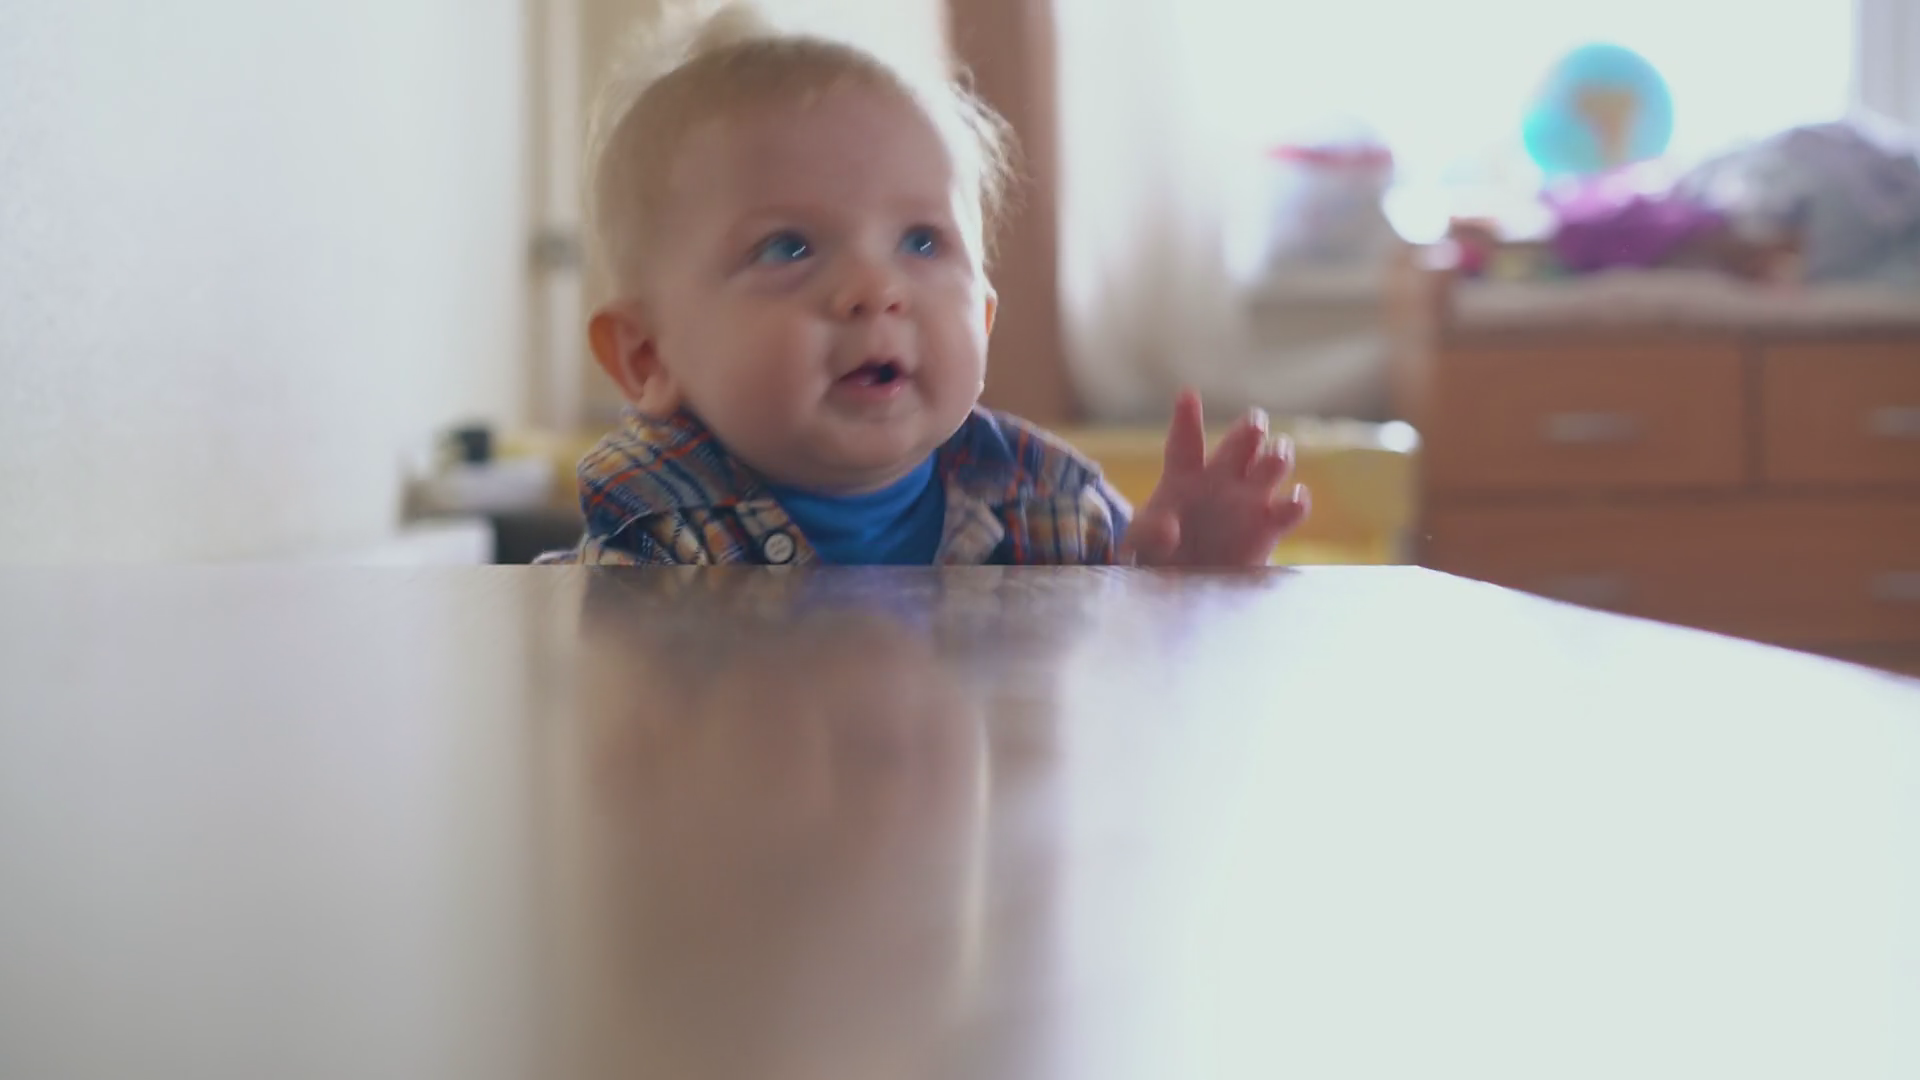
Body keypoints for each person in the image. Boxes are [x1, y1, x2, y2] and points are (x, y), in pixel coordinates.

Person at [541, 0, 1309, 567]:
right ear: (649, 357)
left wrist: (1170, 571)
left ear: (981, 313)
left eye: (921, 240)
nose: (876, 289)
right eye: (788, 247)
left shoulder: (1045, 501)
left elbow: (1111, 713)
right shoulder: (646, 540)